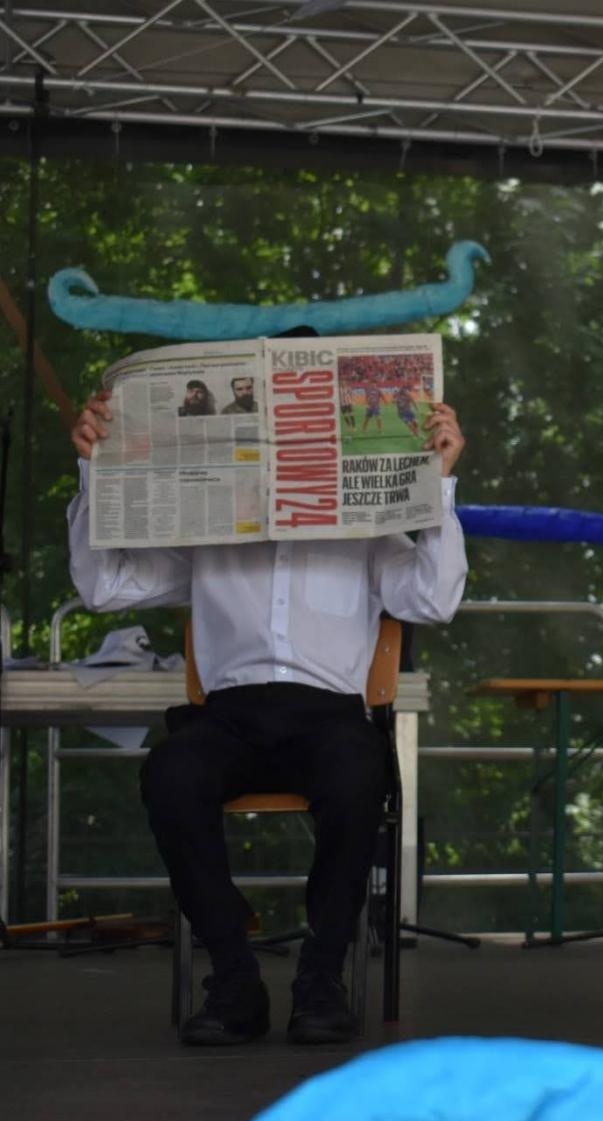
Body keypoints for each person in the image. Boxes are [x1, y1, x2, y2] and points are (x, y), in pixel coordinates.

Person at [67, 386, 468, 1048]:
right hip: (229, 718)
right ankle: (233, 977)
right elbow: (104, 586)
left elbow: (434, 599)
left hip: (330, 716)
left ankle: (322, 977)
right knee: (171, 772)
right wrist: (93, 472)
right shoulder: (209, 523)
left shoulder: (369, 529)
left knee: (359, 771)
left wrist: (440, 485)